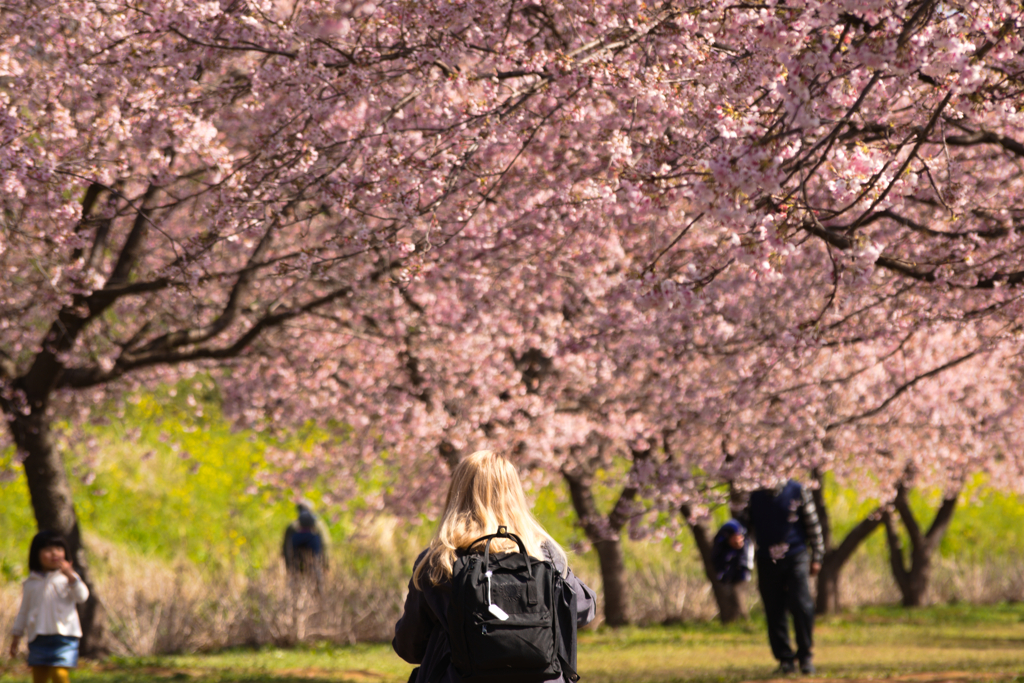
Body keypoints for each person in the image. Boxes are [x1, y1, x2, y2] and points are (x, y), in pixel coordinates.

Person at [393, 450, 597, 683]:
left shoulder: (440, 562)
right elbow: (583, 610)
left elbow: (409, 647)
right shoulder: (543, 556)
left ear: (457, 495)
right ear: (514, 495)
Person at [740, 479, 824, 675]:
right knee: (773, 607)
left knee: (801, 604)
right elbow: (745, 525)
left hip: (796, 556)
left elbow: (813, 525)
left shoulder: (798, 490)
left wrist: (817, 556)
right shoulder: (754, 495)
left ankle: (805, 655)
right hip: (766, 558)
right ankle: (785, 659)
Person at [7, 530, 90, 683]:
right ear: (36, 554)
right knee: (39, 677)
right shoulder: (31, 583)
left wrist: (71, 575)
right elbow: (23, 611)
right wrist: (16, 636)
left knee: (59, 675)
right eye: (47, 550)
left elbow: (82, 596)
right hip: (38, 638)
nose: (54, 554)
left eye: (59, 549)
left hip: (64, 637)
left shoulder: (69, 580)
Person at [711, 519, 754, 584]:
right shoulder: (721, 540)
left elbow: (746, 560)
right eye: (736, 543)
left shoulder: (745, 543)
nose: (738, 544)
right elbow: (716, 558)